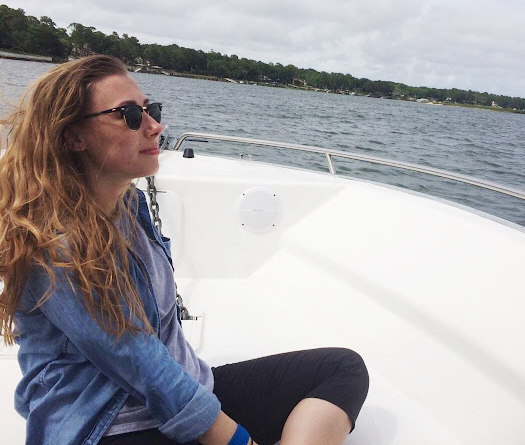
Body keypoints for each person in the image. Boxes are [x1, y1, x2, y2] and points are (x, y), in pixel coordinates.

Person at [0, 55, 368, 445]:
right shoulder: (53, 242)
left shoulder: (129, 206)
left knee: (342, 368)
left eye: (151, 110)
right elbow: (139, 361)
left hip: (180, 391)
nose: (155, 126)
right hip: (106, 424)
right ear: (74, 136)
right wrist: (238, 440)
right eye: (129, 115)